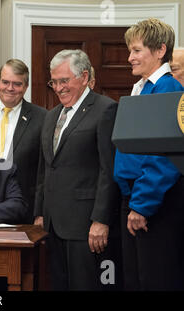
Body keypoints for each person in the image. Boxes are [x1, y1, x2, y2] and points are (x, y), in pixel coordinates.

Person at [34, 49, 121, 290]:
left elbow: (108, 169)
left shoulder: (105, 109)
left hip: (86, 226)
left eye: (65, 81)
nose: (58, 88)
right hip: (53, 225)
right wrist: (40, 212)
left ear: (84, 77)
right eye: (54, 82)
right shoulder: (51, 116)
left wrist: (101, 220)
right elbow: (46, 168)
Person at [113, 18, 184, 290]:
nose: (130, 57)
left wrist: (141, 205)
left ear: (160, 50)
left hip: (154, 203)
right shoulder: (142, 87)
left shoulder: (169, 89)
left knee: (155, 280)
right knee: (136, 280)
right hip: (135, 197)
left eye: (137, 50)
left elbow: (164, 157)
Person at [0, 59, 46, 223]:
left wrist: (40, 212)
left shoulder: (43, 117)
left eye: (17, 84)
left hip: (23, 208)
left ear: (26, 86)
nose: (10, 88)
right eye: (5, 82)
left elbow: (44, 171)